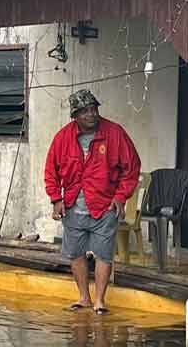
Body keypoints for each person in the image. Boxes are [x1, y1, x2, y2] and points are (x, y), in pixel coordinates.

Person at [44, 89, 141, 314]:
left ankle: (99, 301)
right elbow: (51, 171)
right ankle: (84, 298)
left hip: (105, 206)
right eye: (85, 111)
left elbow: (132, 168)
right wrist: (56, 199)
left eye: (94, 109)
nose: (91, 114)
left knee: (104, 254)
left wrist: (120, 196)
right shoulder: (62, 137)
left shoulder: (115, 133)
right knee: (75, 253)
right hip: (73, 207)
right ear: (75, 115)